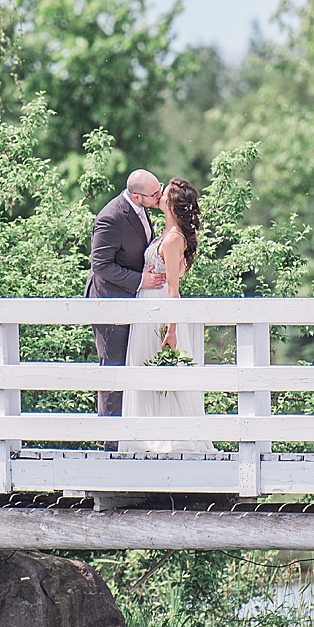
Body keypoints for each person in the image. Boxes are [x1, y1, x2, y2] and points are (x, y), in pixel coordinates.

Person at [123, 177, 212, 453]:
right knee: (145, 370)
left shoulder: (173, 239)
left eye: (166, 193)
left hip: (161, 308)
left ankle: (169, 439)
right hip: (147, 306)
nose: (160, 194)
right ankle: (145, 436)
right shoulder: (164, 232)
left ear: (173, 204)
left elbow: (173, 288)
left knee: (162, 371)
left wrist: (171, 329)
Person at [88, 168, 165, 424]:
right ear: (136, 196)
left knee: (131, 364)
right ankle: (108, 441)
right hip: (109, 300)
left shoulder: (143, 210)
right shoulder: (111, 217)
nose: (159, 196)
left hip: (134, 300)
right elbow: (100, 265)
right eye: (154, 194)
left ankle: (127, 434)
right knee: (113, 368)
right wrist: (141, 280)